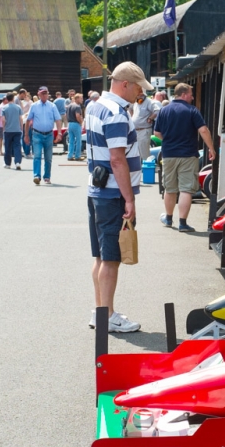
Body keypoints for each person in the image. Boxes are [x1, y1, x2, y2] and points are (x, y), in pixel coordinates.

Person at [85, 61, 153, 333]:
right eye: (138, 87)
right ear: (125, 84)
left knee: (101, 256)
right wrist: (130, 199)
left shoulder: (95, 106)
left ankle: (100, 310)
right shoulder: (116, 113)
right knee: (111, 258)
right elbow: (117, 159)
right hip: (112, 192)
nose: (140, 93)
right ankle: (108, 315)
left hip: (97, 189)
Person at [154, 82, 215, 232]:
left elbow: (156, 133)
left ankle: (168, 218)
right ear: (183, 94)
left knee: (169, 187)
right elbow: (204, 130)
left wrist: (169, 141)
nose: (193, 97)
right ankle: (182, 223)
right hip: (188, 154)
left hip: (168, 154)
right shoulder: (192, 110)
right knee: (186, 189)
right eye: (191, 94)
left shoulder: (164, 110)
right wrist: (211, 148)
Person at [25, 86, 62, 185]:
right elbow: (28, 120)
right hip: (37, 134)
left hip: (49, 134)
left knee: (48, 158)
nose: (44, 95)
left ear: (48, 94)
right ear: (39, 94)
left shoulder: (52, 106)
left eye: (46, 93)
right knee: (37, 156)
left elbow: (58, 120)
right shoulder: (34, 106)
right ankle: (36, 176)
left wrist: (59, 133)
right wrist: (26, 135)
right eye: (42, 93)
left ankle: (47, 177)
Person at [132, 92, 159, 161]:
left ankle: (146, 170)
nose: (136, 96)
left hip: (144, 130)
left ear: (142, 94)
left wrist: (150, 118)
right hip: (136, 131)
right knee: (137, 153)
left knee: (144, 154)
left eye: (138, 94)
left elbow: (157, 111)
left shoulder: (149, 102)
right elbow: (130, 108)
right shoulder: (136, 102)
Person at [2, 92, 24, 170]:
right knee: (17, 146)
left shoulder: (4, 108)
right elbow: (21, 118)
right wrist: (21, 128)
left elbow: (3, 120)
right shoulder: (18, 107)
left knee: (8, 146)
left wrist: (4, 129)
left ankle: (8, 163)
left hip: (8, 130)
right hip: (17, 129)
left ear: (7, 99)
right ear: (13, 98)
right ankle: (17, 162)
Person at [67, 93, 84, 160]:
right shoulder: (77, 106)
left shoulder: (69, 105)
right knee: (78, 141)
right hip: (76, 124)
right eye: (81, 98)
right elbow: (77, 116)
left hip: (70, 124)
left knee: (71, 141)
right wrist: (81, 122)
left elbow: (66, 115)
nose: (82, 100)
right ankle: (77, 156)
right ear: (77, 99)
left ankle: (70, 156)